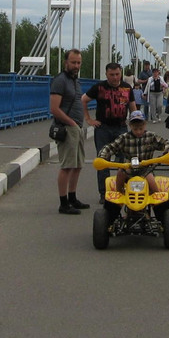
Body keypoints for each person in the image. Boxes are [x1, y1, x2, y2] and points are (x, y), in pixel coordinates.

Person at [83, 62, 133, 201]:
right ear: (106, 74)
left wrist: (136, 125)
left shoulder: (127, 88)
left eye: (117, 74)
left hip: (121, 127)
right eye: (112, 75)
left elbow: (133, 108)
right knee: (103, 160)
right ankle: (104, 193)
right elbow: (83, 99)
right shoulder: (99, 87)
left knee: (123, 160)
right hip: (103, 128)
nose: (115, 78)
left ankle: (119, 188)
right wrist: (88, 119)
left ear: (121, 73)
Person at [50, 49, 91, 215]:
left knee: (78, 165)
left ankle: (73, 197)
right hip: (67, 128)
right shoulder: (60, 81)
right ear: (66, 62)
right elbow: (54, 108)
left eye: (79, 63)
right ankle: (63, 202)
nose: (76, 66)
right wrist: (71, 123)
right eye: (73, 62)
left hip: (77, 128)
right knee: (67, 166)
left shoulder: (75, 80)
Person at [97, 110, 169, 197]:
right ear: (130, 126)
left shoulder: (151, 136)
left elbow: (166, 143)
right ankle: (118, 196)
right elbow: (111, 147)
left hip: (146, 169)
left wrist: (166, 152)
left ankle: (159, 204)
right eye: (135, 129)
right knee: (120, 174)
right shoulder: (124, 138)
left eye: (141, 128)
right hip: (128, 169)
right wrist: (102, 156)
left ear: (145, 124)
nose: (138, 132)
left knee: (153, 185)